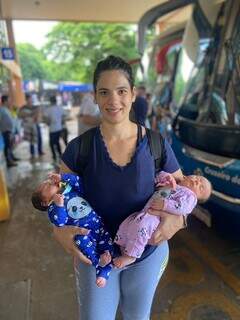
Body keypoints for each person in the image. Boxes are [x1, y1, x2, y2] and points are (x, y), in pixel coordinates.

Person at [53, 55, 184, 320]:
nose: (114, 101)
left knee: (138, 317)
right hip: (95, 256)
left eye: (122, 91)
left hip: (146, 255)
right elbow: (61, 199)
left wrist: (178, 219)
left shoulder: (157, 144)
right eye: (104, 92)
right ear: (96, 96)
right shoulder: (79, 149)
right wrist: (59, 232)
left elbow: (183, 191)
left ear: (133, 94)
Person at [114, 171, 212, 268]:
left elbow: (181, 207)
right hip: (146, 212)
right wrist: (166, 176)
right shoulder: (176, 184)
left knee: (140, 228)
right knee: (129, 225)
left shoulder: (190, 196)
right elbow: (158, 178)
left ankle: (131, 256)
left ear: (197, 199)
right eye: (198, 178)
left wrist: (164, 205)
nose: (197, 182)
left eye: (201, 187)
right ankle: (124, 247)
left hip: (155, 219)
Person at [32, 172, 113, 288]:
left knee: (108, 246)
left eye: (49, 182)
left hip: (98, 226)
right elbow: (59, 222)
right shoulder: (52, 208)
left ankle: (105, 270)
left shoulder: (67, 189)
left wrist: (63, 177)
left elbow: (80, 183)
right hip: (85, 233)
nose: (49, 182)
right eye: (46, 186)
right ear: (44, 202)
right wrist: (59, 206)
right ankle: (98, 261)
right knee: (81, 241)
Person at [18, 94, 44, 159]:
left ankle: (40, 151)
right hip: (29, 125)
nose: (31, 100)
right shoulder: (23, 108)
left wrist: (35, 115)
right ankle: (32, 153)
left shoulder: (35, 107)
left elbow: (39, 115)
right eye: (29, 99)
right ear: (26, 100)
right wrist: (29, 115)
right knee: (31, 139)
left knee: (39, 138)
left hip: (36, 124)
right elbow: (20, 116)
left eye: (31, 99)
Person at [0, 95, 19, 167]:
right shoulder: (1, 110)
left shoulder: (7, 109)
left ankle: (12, 157)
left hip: (11, 130)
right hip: (6, 131)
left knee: (10, 145)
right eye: (9, 100)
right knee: (7, 146)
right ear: (5, 101)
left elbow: (12, 118)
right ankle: (9, 161)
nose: (10, 102)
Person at [44, 96, 64, 163]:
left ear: (50, 101)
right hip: (59, 128)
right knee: (57, 142)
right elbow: (63, 117)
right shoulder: (60, 108)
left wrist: (48, 123)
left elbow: (47, 120)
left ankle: (54, 156)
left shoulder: (48, 109)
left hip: (52, 129)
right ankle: (60, 154)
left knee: (51, 143)